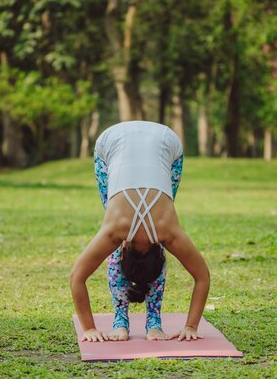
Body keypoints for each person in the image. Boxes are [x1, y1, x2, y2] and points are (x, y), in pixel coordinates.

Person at [70, 121, 210, 343]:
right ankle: (152, 321)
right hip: (144, 140)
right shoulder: (118, 232)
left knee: (113, 213)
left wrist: (89, 329)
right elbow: (202, 277)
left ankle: (122, 320)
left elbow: (77, 277)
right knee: (121, 216)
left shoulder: (161, 232)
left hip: (146, 139)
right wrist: (190, 325)